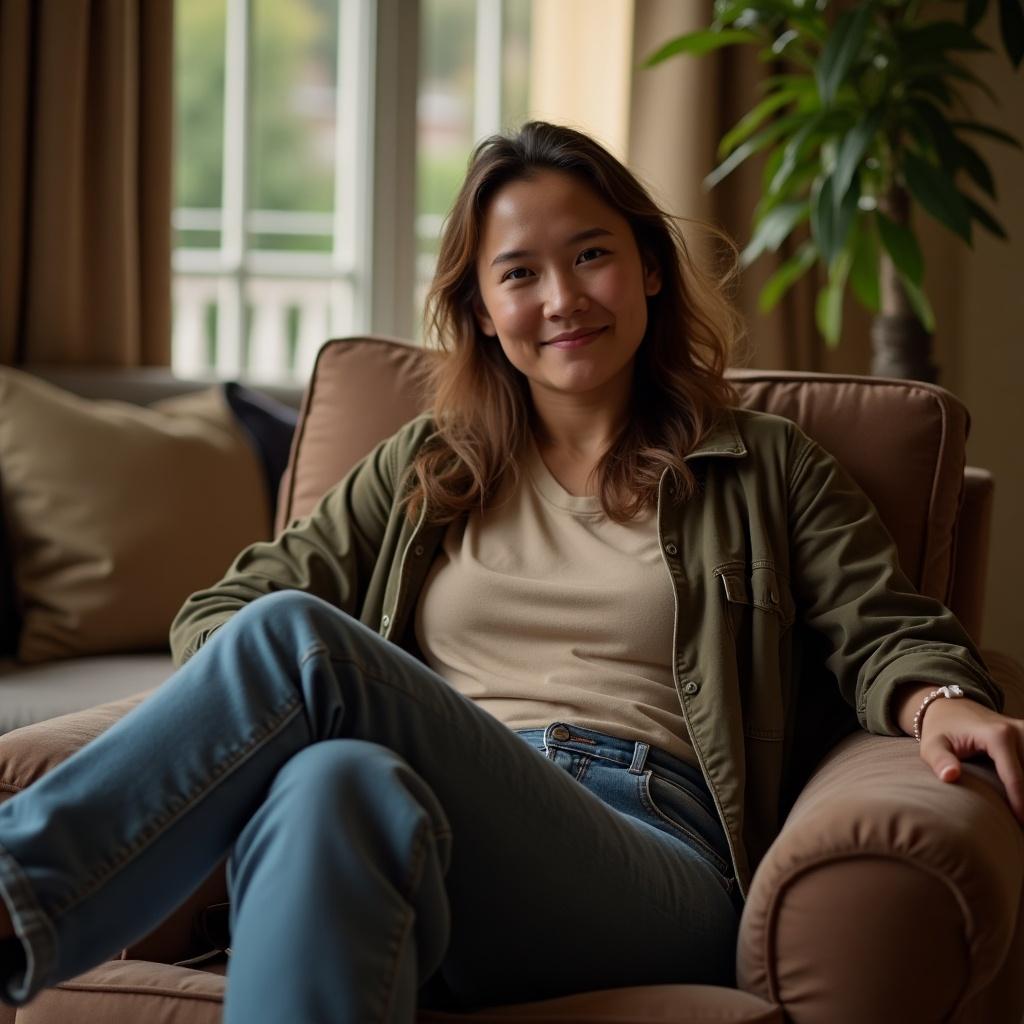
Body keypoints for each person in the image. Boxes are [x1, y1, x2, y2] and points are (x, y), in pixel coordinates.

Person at [0, 121, 1021, 1022]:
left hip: (643, 856)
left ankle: (15, 896)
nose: (563, 298)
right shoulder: (429, 464)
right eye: (519, 272)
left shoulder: (764, 462)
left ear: (649, 268)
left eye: (591, 256)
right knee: (330, 776)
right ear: (482, 307)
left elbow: (886, 627)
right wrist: (272, 720)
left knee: (297, 643)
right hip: (438, 824)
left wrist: (937, 700)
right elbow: (227, 607)